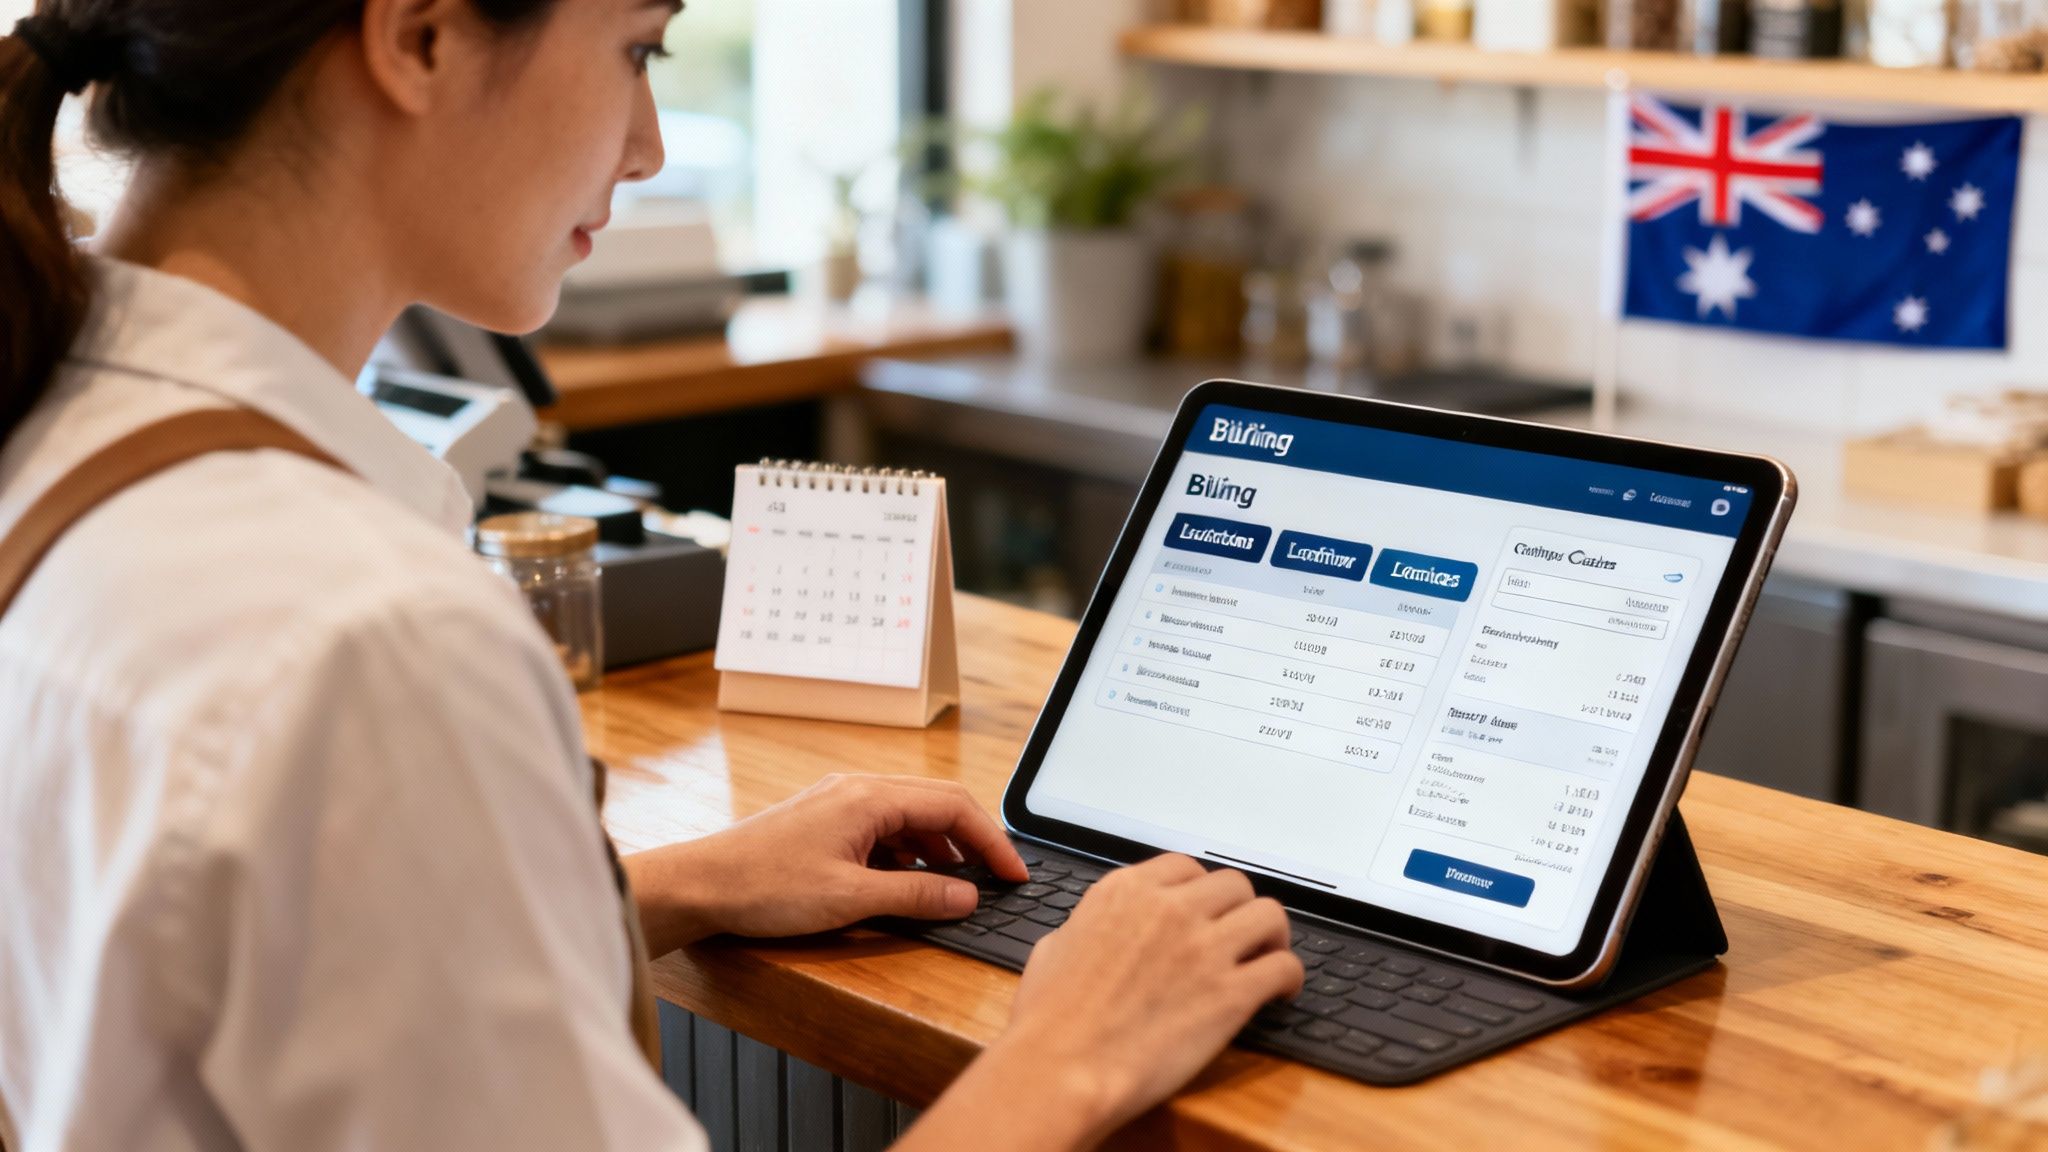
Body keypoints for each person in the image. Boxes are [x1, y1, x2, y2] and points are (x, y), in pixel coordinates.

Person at [0, 3, 1306, 1149]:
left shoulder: (53, 442)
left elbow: (230, 972)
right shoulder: (368, 637)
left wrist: (671, 887)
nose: (650, 146)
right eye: (640, 49)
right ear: (421, 37)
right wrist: (1072, 1053)